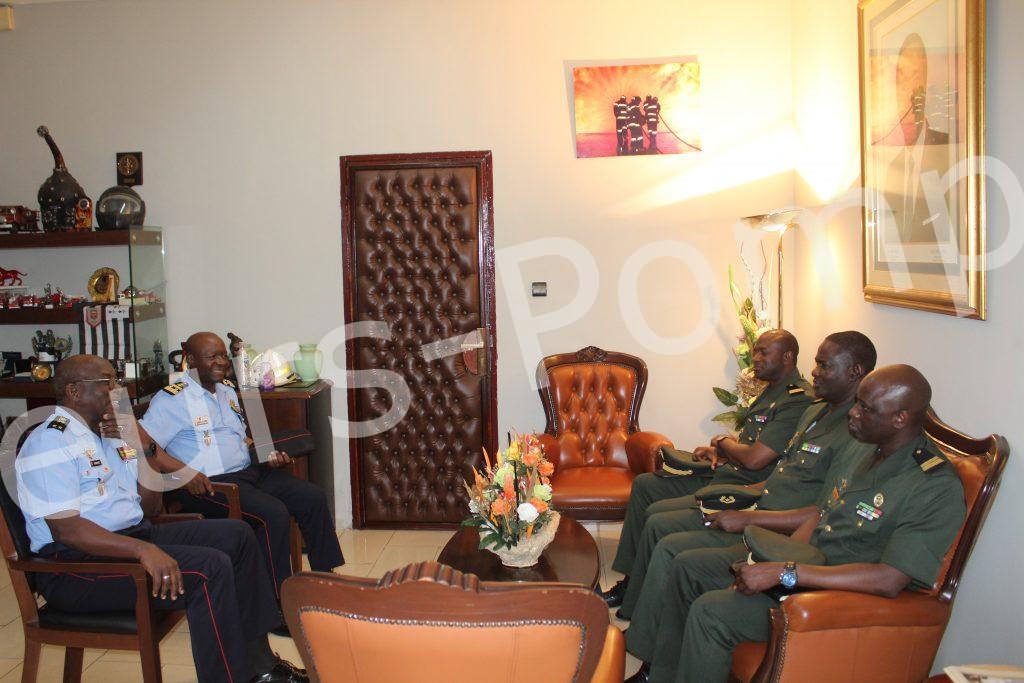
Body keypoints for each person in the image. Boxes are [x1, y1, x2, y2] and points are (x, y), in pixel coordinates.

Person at [630, 365, 966, 683]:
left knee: (711, 612)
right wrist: (770, 562)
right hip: (805, 566)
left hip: (838, 595)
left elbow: (889, 579)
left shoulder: (933, 486)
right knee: (690, 567)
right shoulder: (868, 450)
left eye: (866, 408)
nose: (853, 413)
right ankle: (660, 673)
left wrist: (785, 573)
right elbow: (820, 514)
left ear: (900, 418)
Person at [14, 355, 306, 683]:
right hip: (76, 569)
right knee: (209, 569)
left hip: (129, 539)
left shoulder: (107, 436)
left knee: (237, 535)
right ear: (74, 391)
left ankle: (262, 666)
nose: (117, 390)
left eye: (117, 382)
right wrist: (142, 551)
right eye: (107, 383)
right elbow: (67, 530)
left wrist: (137, 449)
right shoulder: (50, 442)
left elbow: (149, 507)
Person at [619, 332, 875, 629]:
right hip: (754, 496)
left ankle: (642, 625)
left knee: (667, 538)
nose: (815, 371)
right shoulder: (816, 411)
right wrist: (733, 487)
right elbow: (782, 473)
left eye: (823, 365)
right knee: (654, 502)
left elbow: (812, 504)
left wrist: (746, 510)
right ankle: (636, 601)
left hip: (771, 520)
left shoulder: (848, 429)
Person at [600, 330, 813, 608]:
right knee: (645, 485)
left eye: (764, 353)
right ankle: (632, 581)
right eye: (756, 352)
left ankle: (637, 595)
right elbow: (753, 447)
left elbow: (755, 460)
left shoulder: (796, 399)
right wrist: (720, 453)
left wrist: (723, 442)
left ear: (788, 357)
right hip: (728, 470)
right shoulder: (771, 389)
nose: (756, 359)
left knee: (656, 516)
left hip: (745, 485)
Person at [138, 332, 344, 602]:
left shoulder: (227, 390)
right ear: (190, 360)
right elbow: (146, 447)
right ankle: (276, 602)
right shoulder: (172, 399)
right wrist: (185, 474)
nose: (221, 361)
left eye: (223, 355)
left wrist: (266, 453)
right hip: (210, 485)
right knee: (273, 514)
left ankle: (324, 579)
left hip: (248, 473)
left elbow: (240, 438)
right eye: (212, 356)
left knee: (311, 496)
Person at [880, 32, 952, 245]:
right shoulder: (892, 168)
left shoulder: (946, 151)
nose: (912, 88)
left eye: (918, 76)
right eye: (903, 77)